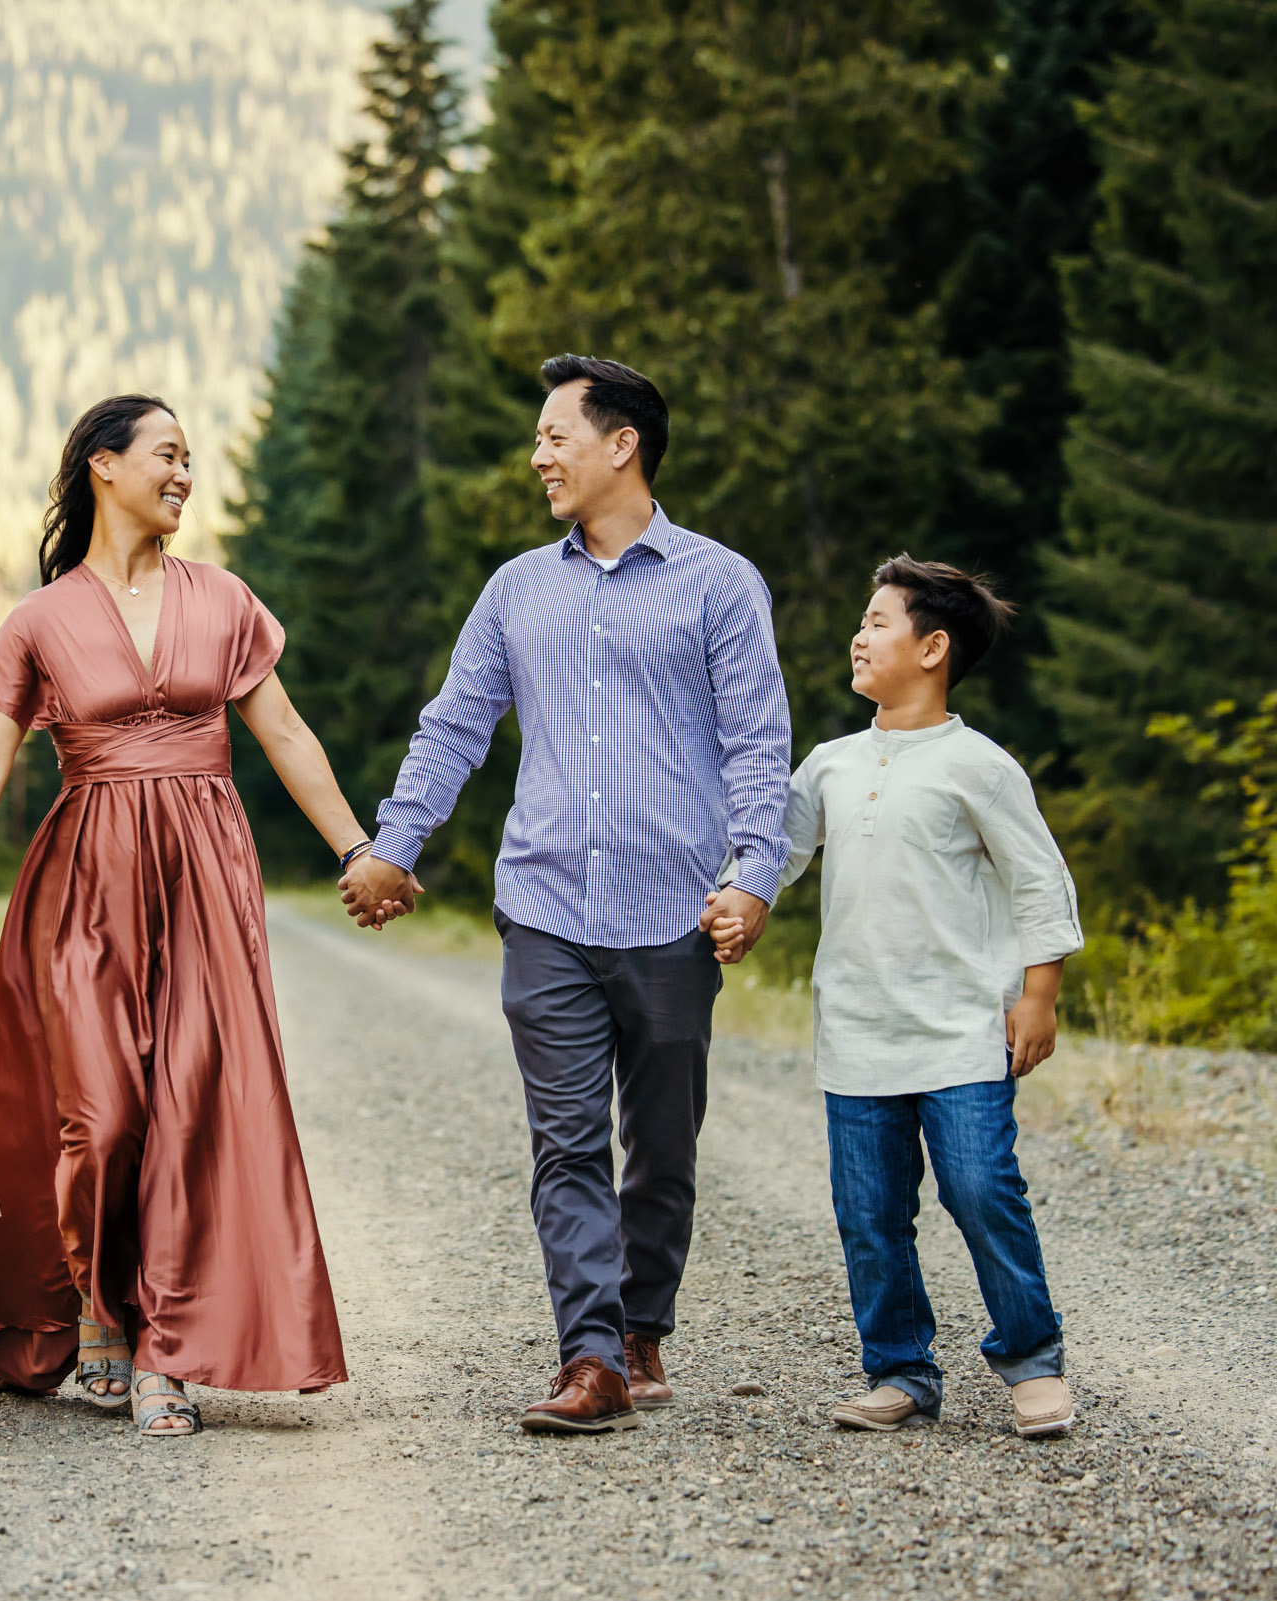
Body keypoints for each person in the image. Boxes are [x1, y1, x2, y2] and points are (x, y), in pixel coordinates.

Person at [341, 355, 793, 1435]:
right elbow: (455, 724)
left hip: (675, 909)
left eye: (556, 435)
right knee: (568, 1142)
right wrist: (393, 845)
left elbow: (757, 744)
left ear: (621, 443)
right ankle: (590, 1353)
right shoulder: (516, 588)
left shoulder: (719, 582)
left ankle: (644, 1321)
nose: (538, 455)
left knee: (666, 1138)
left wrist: (754, 875)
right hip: (544, 902)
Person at [0, 394, 367, 1437]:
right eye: (166, 455)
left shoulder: (223, 598)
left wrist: (360, 847)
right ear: (103, 468)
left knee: (193, 1107)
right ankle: (95, 1307)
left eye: (189, 459)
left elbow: (287, 732)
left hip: (206, 875)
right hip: (82, 885)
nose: (183, 474)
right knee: (101, 1114)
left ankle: (164, 1343)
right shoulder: (40, 620)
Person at [707, 556, 1081, 1436]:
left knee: (981, 1188)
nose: (860, 635)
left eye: (879, 621)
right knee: (870, 1215)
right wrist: (737, 901)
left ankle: (1032, 1361)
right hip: (857, 1031)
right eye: (862, 620)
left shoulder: (978, 765)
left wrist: (1040, 995)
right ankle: (902, 1371)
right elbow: (776, 854)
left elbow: (1040, 882)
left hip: (958, 1030)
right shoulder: (832, 764)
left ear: (933, 647)